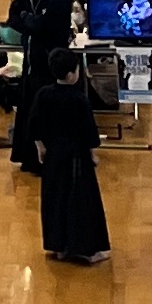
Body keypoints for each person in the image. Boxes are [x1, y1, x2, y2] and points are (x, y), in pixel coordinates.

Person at [26, 42, 111, 264]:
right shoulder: (79, 99)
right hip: (76, 158)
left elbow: (33, 124)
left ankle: (60, 246)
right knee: (80, 201)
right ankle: (87, 250)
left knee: (55, 200)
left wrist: (40, 147)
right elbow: (89, 131)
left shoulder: (43, 94)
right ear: (72, 74)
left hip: (53, 156)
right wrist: (92, 153)